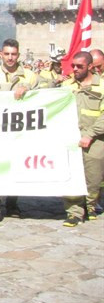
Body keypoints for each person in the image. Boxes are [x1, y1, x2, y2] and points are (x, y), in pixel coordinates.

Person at [0, 39, 40, 226]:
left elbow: (43, 97)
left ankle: (12, 204)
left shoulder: (30, 76)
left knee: (16, 167)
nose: (10, 57)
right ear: (1, 55)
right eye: (7, 54)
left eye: (14, 54)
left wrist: (28, 89)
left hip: (20, 131)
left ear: (18, 55)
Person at [60, 52, 104, 227]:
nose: (75, 69)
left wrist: (90, 134)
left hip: (95, 139)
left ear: (90, 67)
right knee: (70, 176)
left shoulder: (101, 86)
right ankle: (74, 212)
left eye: (80, 66)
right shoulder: (66, 85)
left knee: (93, 179)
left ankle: (90, 205)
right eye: (73, 66)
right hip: (71, 138)